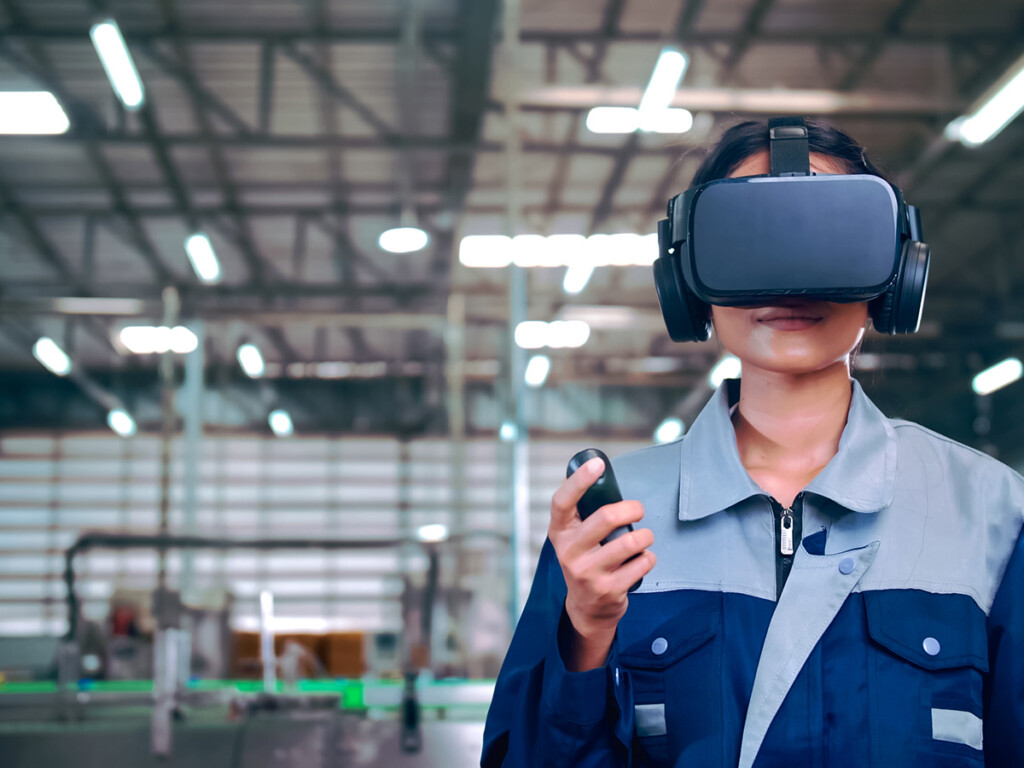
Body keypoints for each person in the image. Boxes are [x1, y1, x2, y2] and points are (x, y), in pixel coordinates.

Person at [481, 119, 1024, 767]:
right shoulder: (611, 522)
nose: (789, 282)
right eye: (749, 237)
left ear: (895, 273)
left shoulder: (991, 512)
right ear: (688, 278)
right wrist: (586, 632)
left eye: (828, 235)